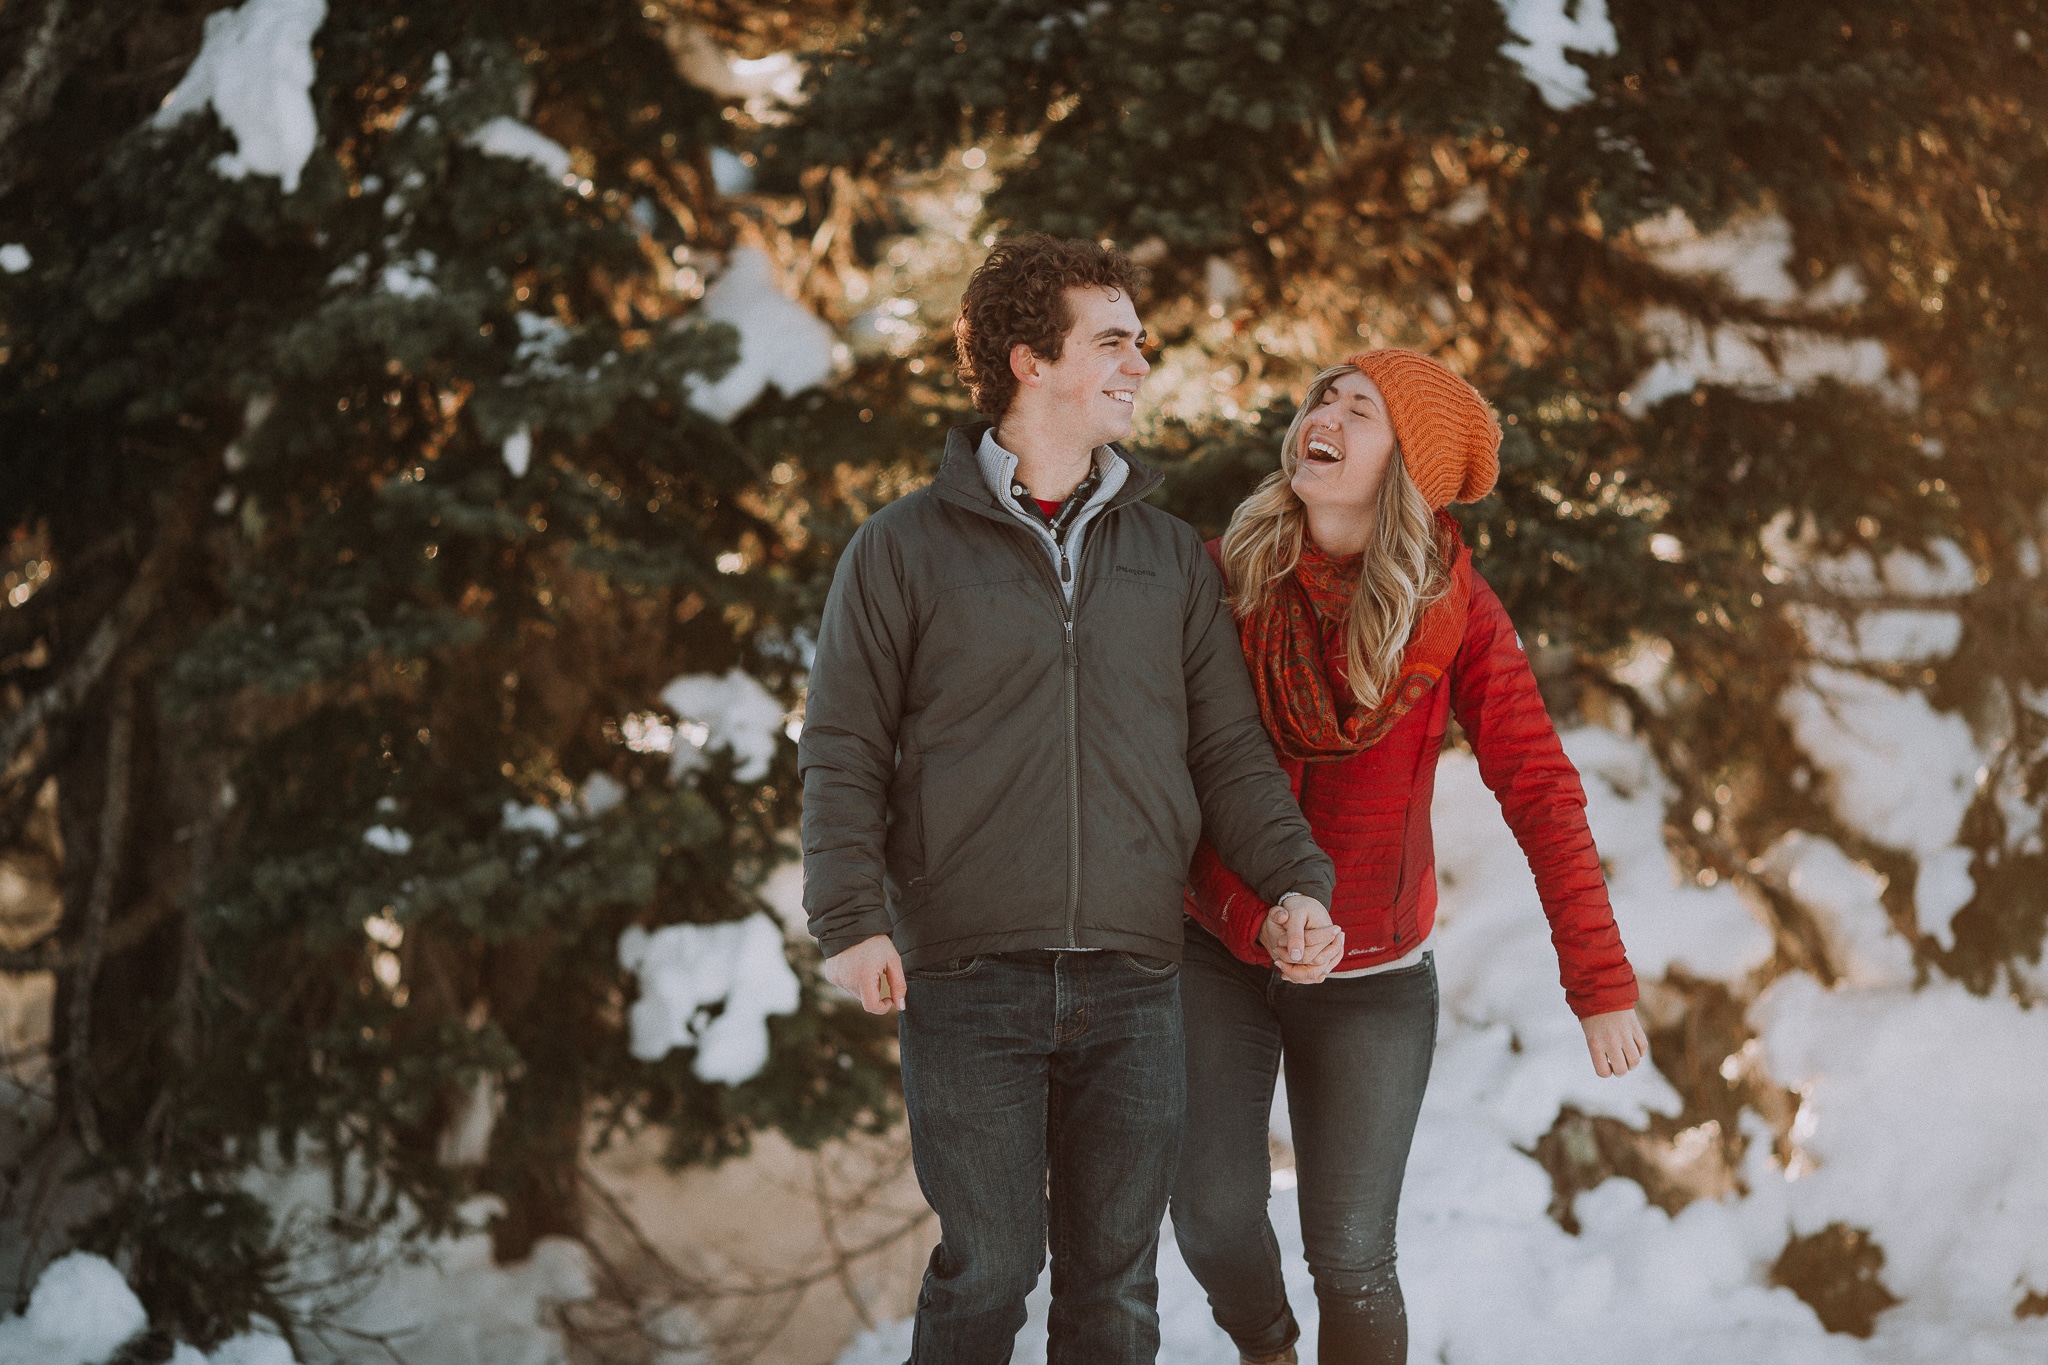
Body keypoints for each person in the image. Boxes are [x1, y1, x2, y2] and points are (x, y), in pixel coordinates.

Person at [797, 234, 1338, 1365]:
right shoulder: (899, 550)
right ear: (1026, 360)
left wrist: (1293, 881)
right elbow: (842, 747)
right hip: (967, 972)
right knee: (987, 1268)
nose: (1139, 360)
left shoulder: (1167, 559)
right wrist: (850, 919)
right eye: (1111, 341)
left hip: (1136, 980)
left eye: (1138, 340)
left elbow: (1227, 752)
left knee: (1114, 1294)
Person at [1170, 350, 1651, 1365]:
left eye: (1362, 410)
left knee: (1350, 1256)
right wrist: (1253, 911)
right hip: (1217, 945)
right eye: (1323, 398)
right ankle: (1266, 1348)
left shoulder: (1455, 613)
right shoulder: (1221, 575)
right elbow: (1170, 773)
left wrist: (1598, 980)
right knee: (1210, 1215)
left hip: (1372, 974)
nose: (1326, 414)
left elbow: (1539, 789)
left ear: (1407, 466)